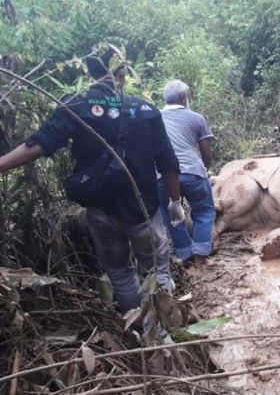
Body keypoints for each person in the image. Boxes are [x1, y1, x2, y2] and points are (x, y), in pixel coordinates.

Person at [0, 44, 184, 315]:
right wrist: (175, 201)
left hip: (102, 212)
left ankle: (136, 329)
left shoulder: (77, 106)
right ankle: (160, 332)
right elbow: (168, 162)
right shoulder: (145, 110)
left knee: (120, 272)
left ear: (89, 71)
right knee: (157, 270)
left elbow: (39, 144)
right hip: (143, 210)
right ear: (121, 73)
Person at [157, 80, 215, 266]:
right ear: (184, 98)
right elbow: (206, 152)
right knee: (204, 210)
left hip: (163, 175)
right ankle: (201, 256)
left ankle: (185, 255)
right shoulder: (196, 118)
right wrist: (204, 170)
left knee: (173, 216)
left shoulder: (154, 117)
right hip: (192, 172)